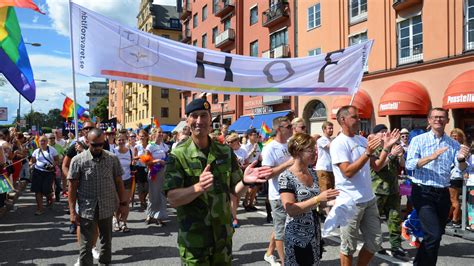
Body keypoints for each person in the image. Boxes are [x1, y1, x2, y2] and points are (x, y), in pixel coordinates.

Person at [163, 98, 272, 265]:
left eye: (203, 115)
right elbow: (172, 198)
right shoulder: (177, 156)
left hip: (222, 239)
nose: (199, 121)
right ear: (187, 120)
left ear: (210, 119)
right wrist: (198, 187)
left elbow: (235, 190)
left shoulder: (224, 152)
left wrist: (245, 181)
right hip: (195, 242)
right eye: (194, 116)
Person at [331, 106, 399, 266]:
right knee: (348, 246)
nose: (359, 120)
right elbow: (347, 172)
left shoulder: (362, 140)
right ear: (343, 120)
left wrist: (387, 148)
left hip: (369, 199)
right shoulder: (338, 143)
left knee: (375, 242)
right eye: (355, 117)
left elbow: (376, 166)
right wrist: (367, 153)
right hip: (349, 202)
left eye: (359, 117)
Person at [406, 107, 469, 265]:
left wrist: (462, 159)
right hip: (423, 192)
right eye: (435, 117)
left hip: (443, 193)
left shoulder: (453, 144)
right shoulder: (418, 140)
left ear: (447, 120)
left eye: (442, 117)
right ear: (429, 120)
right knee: (433, 235)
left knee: (435, 236)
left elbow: (461, 169)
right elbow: (410, 164)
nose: (438, 120)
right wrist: (431, 157)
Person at [68, 128, 129, 265]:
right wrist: (72, 212)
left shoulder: (112, 159)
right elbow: (72, 188)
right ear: (87, 142)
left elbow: (119, 182)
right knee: (85, 246)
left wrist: (124, 205)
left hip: (107, 207)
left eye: (101, 144)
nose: (98, 148)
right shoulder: (78, 160)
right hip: (86, 209)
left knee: (107, 242)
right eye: (94, 145)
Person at [279, 132, 339, 265]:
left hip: (314, 232)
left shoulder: (312, 172)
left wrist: (333, 201)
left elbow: (320, 204)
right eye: (311, 150)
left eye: (315, 149)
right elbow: (290, 209)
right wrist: (318, 199)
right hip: (297, 236)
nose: (315, 153)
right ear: (298, 151)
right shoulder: (286, 176)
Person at [370, 124, 407, 258]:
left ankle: (396, 246)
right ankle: (375, 245)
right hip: (377, 190)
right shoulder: (373, 148)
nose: (385, 134)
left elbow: (402, 165)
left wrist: (400, 155)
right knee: (374, 220)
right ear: (375, 135)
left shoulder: (393, 147)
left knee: (395, 219)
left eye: (387, 132)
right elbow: (377, 167)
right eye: (382, 132)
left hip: (393, 190)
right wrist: (392, 154)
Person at [262, 115, 294, 265]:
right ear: (278, 129)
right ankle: (284, 262)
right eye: (288, 127)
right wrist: (288, 164)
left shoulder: (289, 145)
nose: (291, 129)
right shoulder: (270, 148)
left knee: (281, 226)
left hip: (291, 192)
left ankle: (269, 253)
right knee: (281, 230)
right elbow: (267, 174)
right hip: (277, 195)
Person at [144, 127, 169, 226]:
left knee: (161, 195)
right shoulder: (150, 146)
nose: (161, 134)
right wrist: (158, 161)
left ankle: (159, 216)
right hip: (154, 172)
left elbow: (168, 157)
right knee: (153, 194)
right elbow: (146, 162)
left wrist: (166, 161)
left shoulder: (164, 146)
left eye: (162, 133)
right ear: (154, 134)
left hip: (163, 172)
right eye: (159, 132)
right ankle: (150, 215)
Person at [30, 135, 59, 215]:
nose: (42, 142)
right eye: (41, 141)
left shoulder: (52, 150)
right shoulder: (36, 151)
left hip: (49, 173)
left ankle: (50, 197)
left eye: (44, 141)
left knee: (46, 189)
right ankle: (40, 209)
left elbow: (57, 160)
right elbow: (32, 161)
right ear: (38, 142)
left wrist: (52, 165)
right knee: (37, 191)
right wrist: (31, 164)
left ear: (47, 142)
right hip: (37, 172)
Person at [226, 133, 249, 228]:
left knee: (237, 198)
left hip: (240, 176)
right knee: (233, 197)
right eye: (227, 142)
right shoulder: (226, 150)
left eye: (231, 142)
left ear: (236, 141)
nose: (228, 143)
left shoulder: (243, 150)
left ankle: (232, 213)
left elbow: (247, 163)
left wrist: (243, 166)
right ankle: (234, 218)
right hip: (229, 176)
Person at [112, 130, 133, 232]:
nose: (121, 141)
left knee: (125, 202)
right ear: (116, 141)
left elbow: (132, 164)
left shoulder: (130, 151)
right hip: (116, 180)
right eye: (119, 140)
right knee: (116, 202)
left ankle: (124, 222)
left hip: (127, 179)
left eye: (123, 140)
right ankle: (116, 220)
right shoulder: (113, 152)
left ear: (126, 140)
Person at [447, 128, 467, 228]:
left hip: (456, 176)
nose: (454, 137)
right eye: (452, 135)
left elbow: (462, 164)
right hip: (452, 175)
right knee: (452, 199)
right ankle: (453, 218)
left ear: (460, 137)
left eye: (456, 135)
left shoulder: (461, 147)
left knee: (454, 199)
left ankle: (455, 220)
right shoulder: (452, 146)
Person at [316, 121, 335, 216]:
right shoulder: (321, 140)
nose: (331, 130)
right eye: (329, 128)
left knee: (331, 191)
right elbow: (331, 147)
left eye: (332, 128)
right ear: (324, 129)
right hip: (323, 168)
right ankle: (325, 213)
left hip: (331, 169)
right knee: (325, 190)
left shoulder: (331, 139)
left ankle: (328, 212)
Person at [242, 128, 262, 212]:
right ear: (249, 136)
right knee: (250, 187)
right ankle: (245, 202)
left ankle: (251, 204)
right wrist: (252, 150)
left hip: (257, 165)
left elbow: (259, 156)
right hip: (249, 166)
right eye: (254, 135)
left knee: (256, 187)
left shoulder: (258, 145)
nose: (256, 136)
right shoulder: (245, 146)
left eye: (256, 135)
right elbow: (245, 158)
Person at [47, 133, 66, 202]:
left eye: (53, 138)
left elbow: (64, 155)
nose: (52, 139)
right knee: (48, 184)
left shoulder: (59, 146)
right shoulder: (45, 147)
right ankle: (49, 198)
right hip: (48, 168)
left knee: (58, 184)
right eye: (50, 138)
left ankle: (57, 195)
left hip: (57, 167)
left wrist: (61, 160)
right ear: (47, 139)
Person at [134, 129, 150, 211]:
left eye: (143, 136)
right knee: (140, 187)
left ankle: (143, 199)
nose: (141, 138)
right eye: (140, 136)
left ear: (147, 137)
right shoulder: (137, 146)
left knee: (147, 187)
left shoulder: (149, 146)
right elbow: (134, 158)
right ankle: (142, 202)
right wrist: (141, 157)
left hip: (148, 167)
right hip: (139, 168)